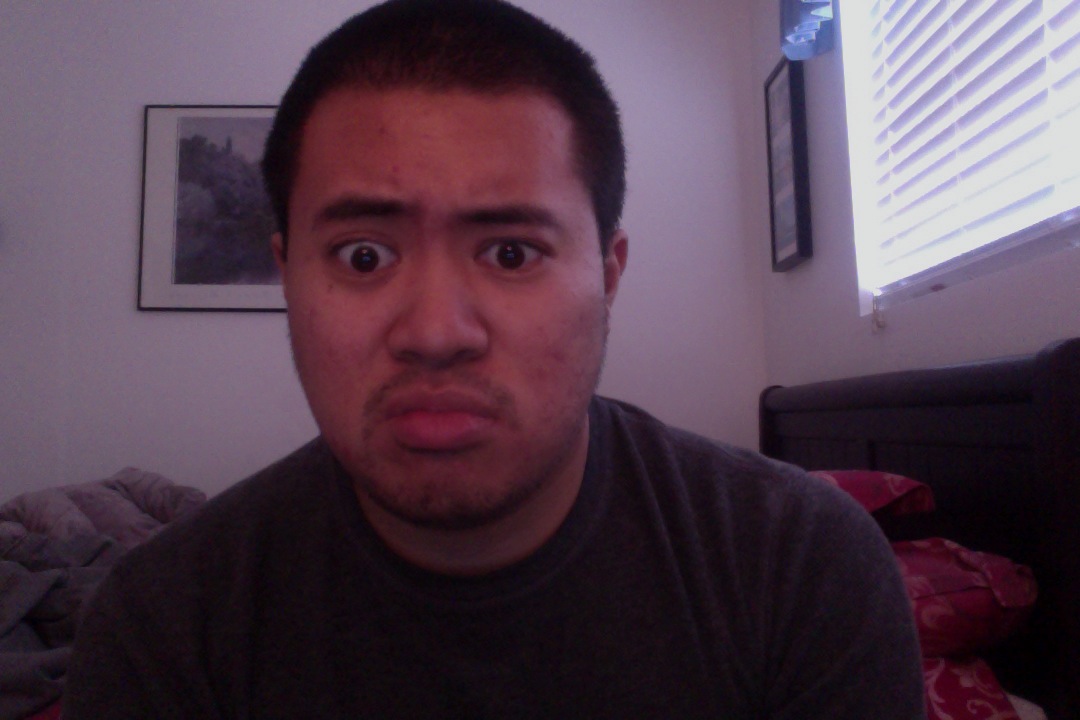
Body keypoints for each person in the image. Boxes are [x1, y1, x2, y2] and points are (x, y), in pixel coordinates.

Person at [64, 1, 926, 717]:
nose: (436, 332)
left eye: (511, 253)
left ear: (609, 276)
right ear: (287, 275)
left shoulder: (801, 568)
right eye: (364, 255)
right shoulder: (162, 627)